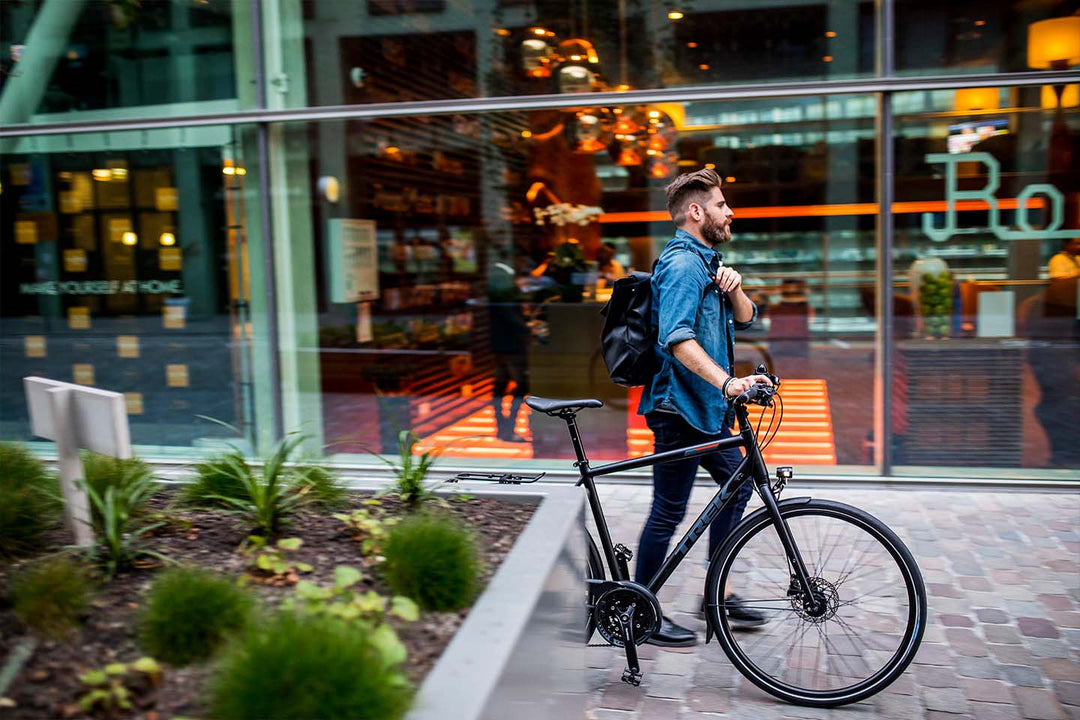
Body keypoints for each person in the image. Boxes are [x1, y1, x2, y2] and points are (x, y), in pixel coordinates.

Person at [636, 167, 773, 647]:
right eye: (720, 205)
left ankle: (719, 592)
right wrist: (730, 383)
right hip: (680, 410)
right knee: (669, 511)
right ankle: (639, 611)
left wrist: (734, 287)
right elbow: (676, 339)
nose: (729, 212)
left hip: (705, 408)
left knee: (737, 488)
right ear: (696, 212)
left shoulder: (707, 262)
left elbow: (748, 317)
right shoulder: (681, 266)